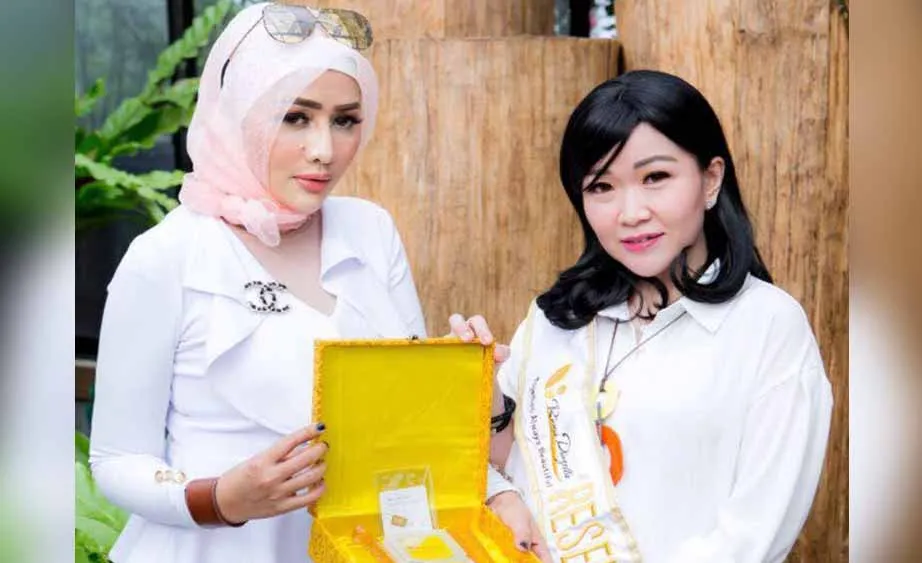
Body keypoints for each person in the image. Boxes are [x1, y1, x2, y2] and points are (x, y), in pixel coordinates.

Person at [89, 4, 527, 561]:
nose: (324, 150)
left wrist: (490, 462)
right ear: (239, 113)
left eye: (345, 120)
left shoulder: (370, 230)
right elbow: (116, 460)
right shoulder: (166, 256)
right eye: (295, 117)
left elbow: (406, 424)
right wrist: (222, 498)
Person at [485, 70, 834, 562]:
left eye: (655, 178)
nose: (631, 212)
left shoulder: (767, 326)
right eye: (602, 186)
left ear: (711, 179)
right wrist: (486, 396)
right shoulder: (556, 318)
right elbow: (517, 467)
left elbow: (753, 536)